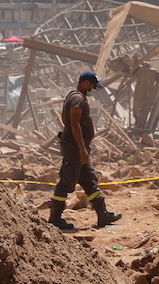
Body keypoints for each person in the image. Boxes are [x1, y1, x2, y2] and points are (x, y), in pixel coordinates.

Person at [48, 70, 122, 231]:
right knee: (66, 182)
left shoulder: (75, 97)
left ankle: (103, 214)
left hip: (80, 148)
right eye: (93, 86)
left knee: (90, 181)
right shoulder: (77, 99)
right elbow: (74, 125)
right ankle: (54, 219)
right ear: (85, 83)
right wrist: (81, 148)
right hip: (75, 149)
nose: (93, 89)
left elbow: (66, 120)